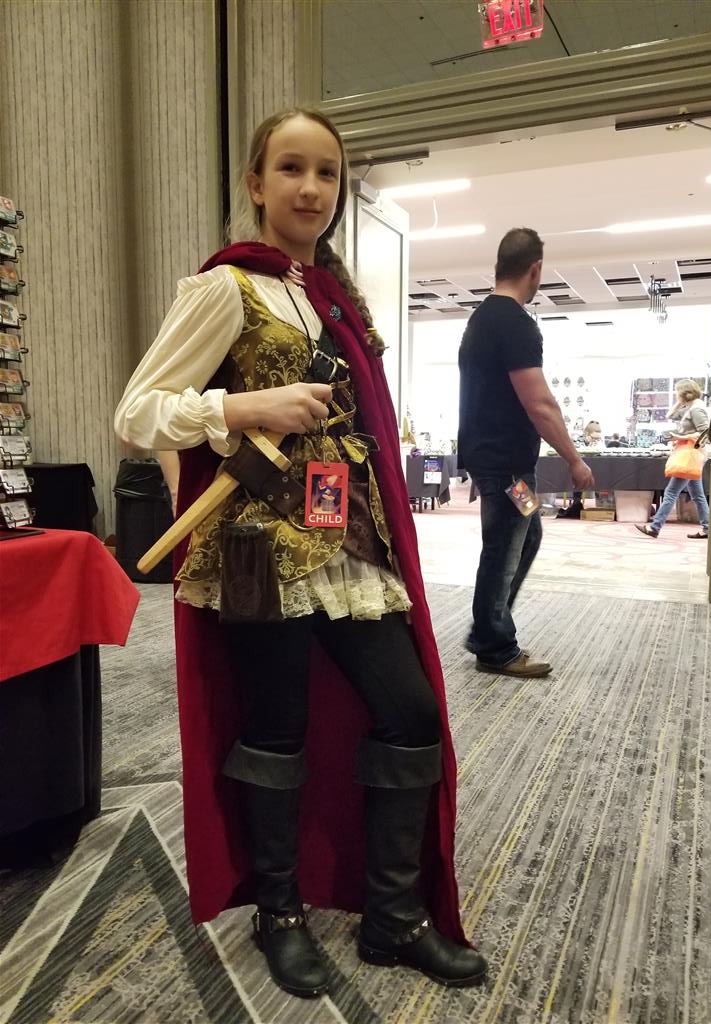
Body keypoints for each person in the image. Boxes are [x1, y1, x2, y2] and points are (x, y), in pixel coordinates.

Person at [115, 108, 486, 1000]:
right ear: (256, 183)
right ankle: (279, 913)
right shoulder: (225, 288)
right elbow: (136, 414)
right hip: (256, 547)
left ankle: (393, 918)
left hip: (347, 539)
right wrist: (243, 407)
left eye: (327, 173)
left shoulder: (333, 297)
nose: (311, 188)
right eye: (290, 168)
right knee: (276, 729)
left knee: (409, 715)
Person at [458, 228, 594, 679]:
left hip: (495, 461)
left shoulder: (481, 318)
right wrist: (574, 458)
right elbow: (540, 403)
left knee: (526, 535)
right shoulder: (515, 323)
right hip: (506, 466)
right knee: (503, 548)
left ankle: (488, 625)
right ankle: (495, 646)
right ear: (535, 269)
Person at [635, 378, 710, 539]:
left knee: (671, 492)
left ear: (684, 393)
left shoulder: (696, 409)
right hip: (692, 455)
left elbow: (705, 433)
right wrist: (680, 402)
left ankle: (655, 527)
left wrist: (680, 437)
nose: (676, 395)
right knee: (698, 495)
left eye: (677, 392)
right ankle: (708, 527)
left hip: (689, 455)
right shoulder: (691, 407)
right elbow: (670, 415)